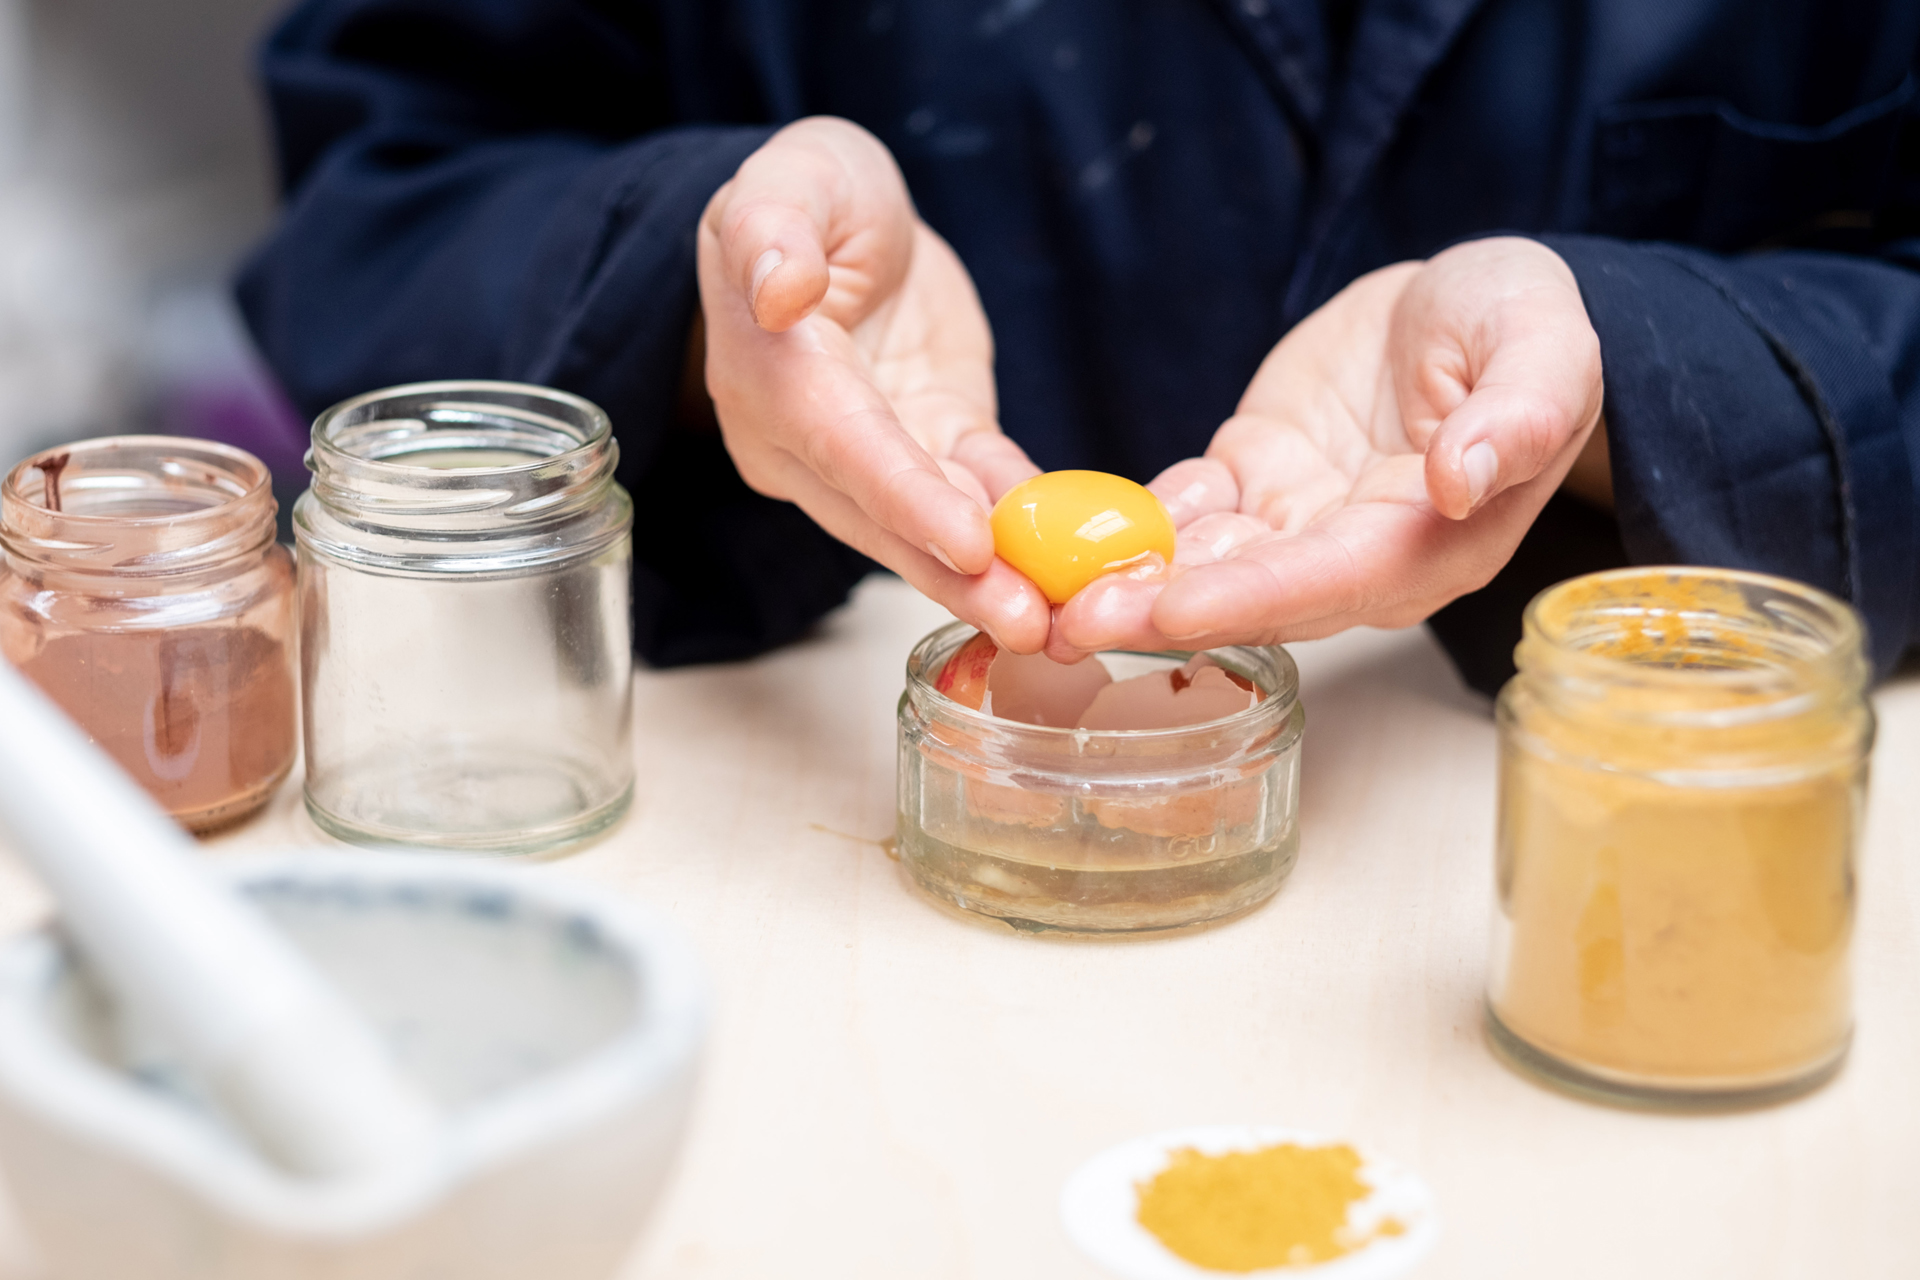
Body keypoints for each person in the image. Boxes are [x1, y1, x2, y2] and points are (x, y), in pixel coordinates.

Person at [239, 0, 1920, 691]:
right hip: (810, 882)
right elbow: (392, 185)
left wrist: (1635, 366)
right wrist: (702, 292)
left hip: (1568, 879)